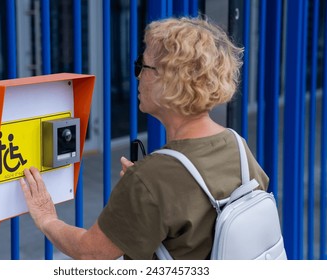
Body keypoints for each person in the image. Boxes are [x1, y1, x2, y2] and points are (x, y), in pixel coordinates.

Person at [20, 16, 269, 260]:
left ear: (171, 80)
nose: (137, 76)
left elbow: (91, 253)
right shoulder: (236, 145)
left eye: (143, 65)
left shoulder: (153, 177)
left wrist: (46, 218)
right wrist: (147, 194)